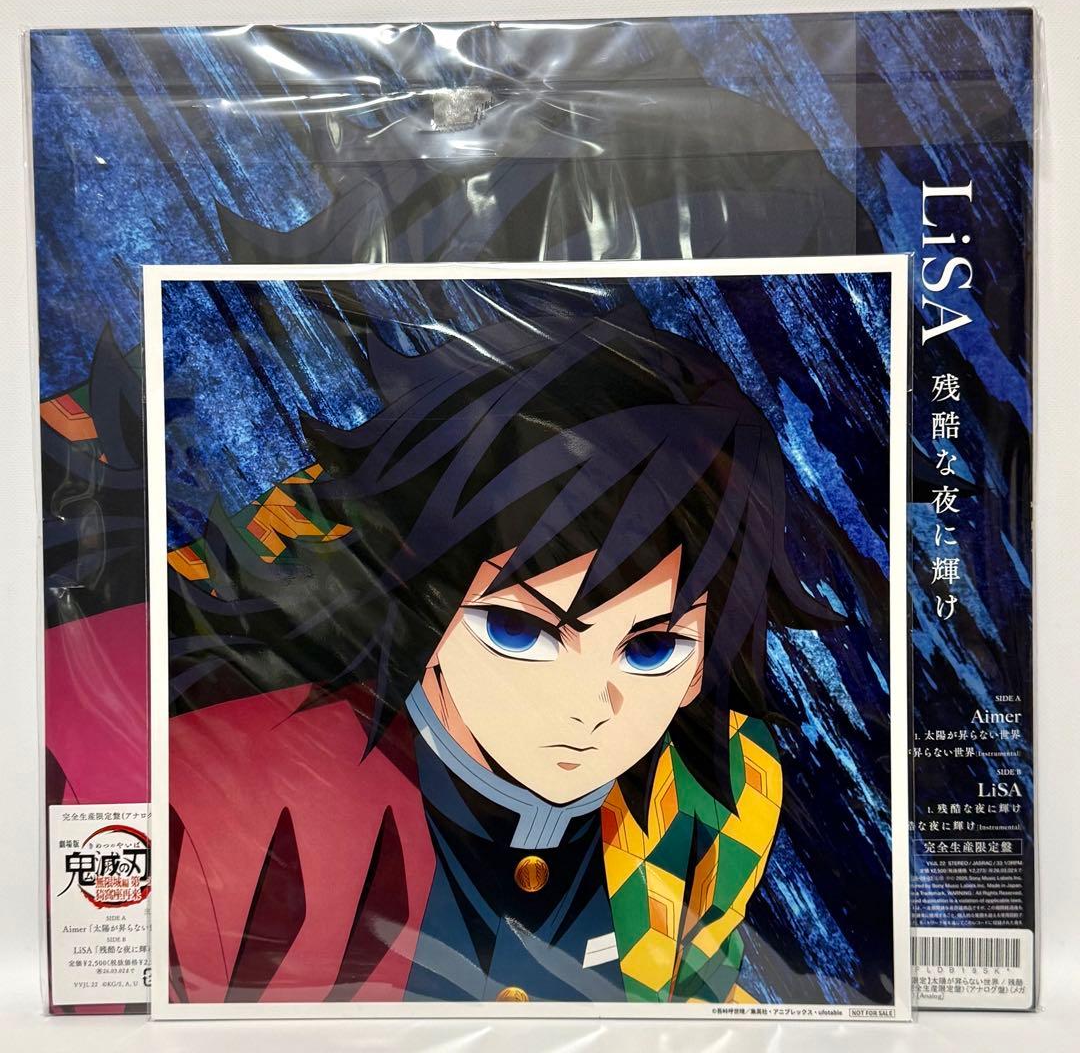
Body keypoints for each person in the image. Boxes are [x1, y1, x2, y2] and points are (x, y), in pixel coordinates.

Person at [166, 297, 839, 1005]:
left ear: (703, 664)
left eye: (651, 648)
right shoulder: (264, 782)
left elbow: (699, 1000)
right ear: (428, 604)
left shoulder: (716, 795)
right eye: (521, 632)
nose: (587, 709)